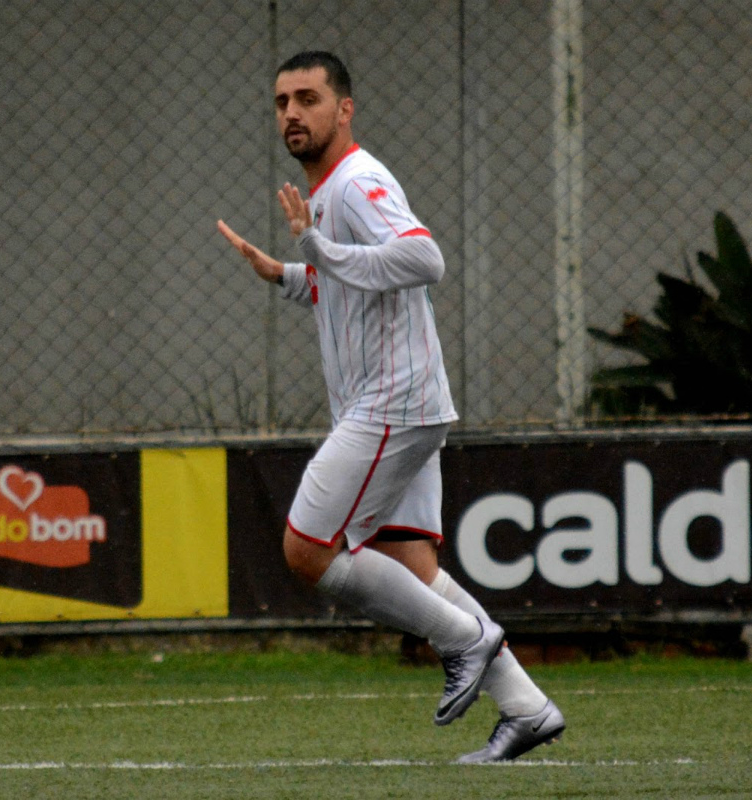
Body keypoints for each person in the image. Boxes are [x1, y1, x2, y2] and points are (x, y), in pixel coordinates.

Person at [217, 50, 564, 762]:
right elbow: (350, 282)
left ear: (344, 110)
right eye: (282, 101)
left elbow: (423, 259)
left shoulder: (356, 182)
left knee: (307, 550)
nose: (292, 113)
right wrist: (288, 273)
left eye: (308, 98)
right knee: (412, 568)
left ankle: (463, 640)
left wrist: (317, 249)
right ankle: (527, 708)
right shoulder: (329, 192)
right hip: (399, 403)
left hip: (391, 402)